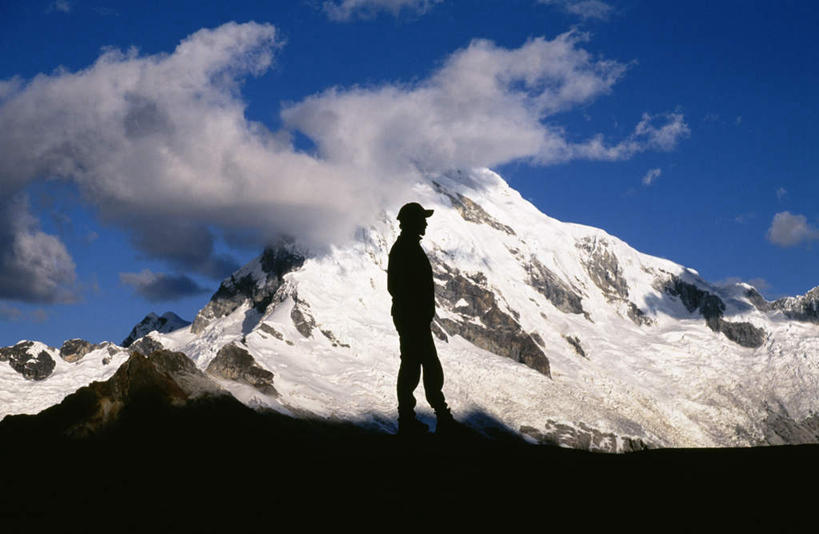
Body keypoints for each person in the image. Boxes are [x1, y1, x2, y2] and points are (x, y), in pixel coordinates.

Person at [387, 202, 457, 435]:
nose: (425, 223)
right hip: (412, 319)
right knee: (419, 366)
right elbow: (398, 287)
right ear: (411, 222)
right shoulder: (406, 249)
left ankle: (413, 418)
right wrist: (416, 312)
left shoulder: (406, 247)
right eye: (422, 219)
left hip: (412, 318)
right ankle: (433, 418)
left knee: (417, 365)